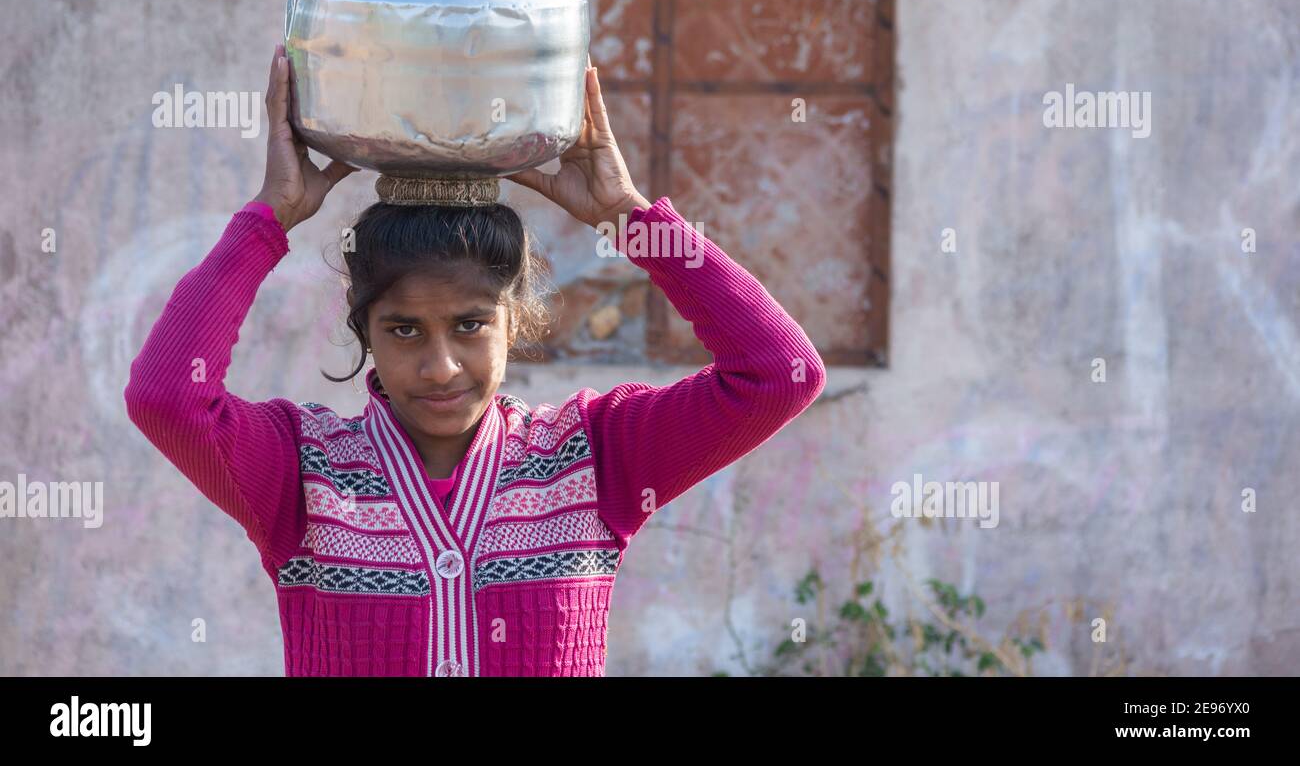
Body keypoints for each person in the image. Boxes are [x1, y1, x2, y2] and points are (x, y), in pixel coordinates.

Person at [124, 44, 828, 676]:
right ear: (362, 328)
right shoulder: (303, 474)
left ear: (512, 322)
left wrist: (627, 216)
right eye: (403, 331)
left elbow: (780, 373)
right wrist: (268, 219)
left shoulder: (594, 459)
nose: (440, 367)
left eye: (469, 325)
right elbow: (166, 398)